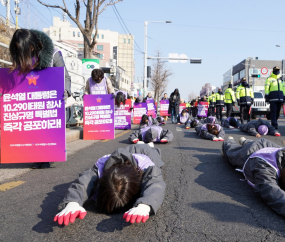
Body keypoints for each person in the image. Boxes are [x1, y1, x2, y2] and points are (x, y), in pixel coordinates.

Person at [54, 144, 166, 226]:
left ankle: (147, 144)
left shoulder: (147, 165)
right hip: (127, 153)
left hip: (146, 152)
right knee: (139, 142)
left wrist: (145, 205)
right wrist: (72, 202)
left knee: (153, 150)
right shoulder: (100, 166)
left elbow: (155, 184)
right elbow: (83, 182)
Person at [9, 29, 72, 169]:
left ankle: (47, 156)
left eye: (24, 49)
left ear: (32, 45)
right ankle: (38, 156)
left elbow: (65, 76)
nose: (22, 52)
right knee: (34, 129)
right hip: (32, 100)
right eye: (18, 49)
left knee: (47, 129)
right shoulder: (22, 58)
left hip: (50, 100)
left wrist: (66, 91)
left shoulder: (54, 55)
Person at [221, 137, 285, 218]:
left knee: (255, 143)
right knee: (230, 152)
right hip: (250, 151)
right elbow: (270, 190)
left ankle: (245, 141)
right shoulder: (265, 168)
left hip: (267, 144)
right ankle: (230, 140)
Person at [265, 66, 285, 130]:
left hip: (280, 98)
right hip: (272, 98)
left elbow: (284, 88)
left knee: (278, 112)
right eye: (276, 70)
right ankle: (274, 124)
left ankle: (275, 121)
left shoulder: (281, 79)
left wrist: (284, 96)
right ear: (273, 71)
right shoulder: (269, 79)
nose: (277, 71)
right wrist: (267, 96)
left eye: (278, 70)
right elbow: (266, 88)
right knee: (273, 111)